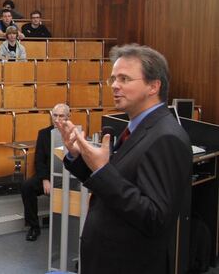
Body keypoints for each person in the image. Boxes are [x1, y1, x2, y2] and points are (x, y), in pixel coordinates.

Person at [60, 44, 192, 274]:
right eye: (113, 79)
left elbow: (154, 218)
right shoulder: (136, 128)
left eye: (124, 79)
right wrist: (78, 157)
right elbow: (118, 181)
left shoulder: (166, 137)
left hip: (129, 263)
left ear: (153, 86)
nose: (115, 86)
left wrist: (103, 170)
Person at [21, 103, 70, 242]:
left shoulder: (73, 133)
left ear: (68, 117)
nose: (57, 119)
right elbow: (39, 160)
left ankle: (69, 227)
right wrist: (45, 179)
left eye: (61, 116)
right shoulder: (44, 133)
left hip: (68, 175)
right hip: (48, 174)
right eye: (55, 115)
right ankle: (33, 227)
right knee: (27, 186)